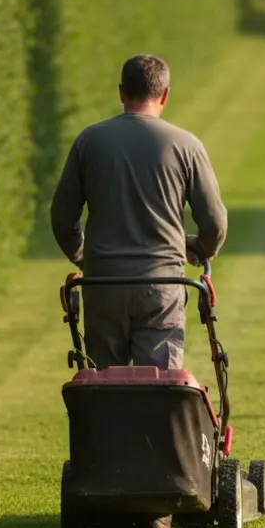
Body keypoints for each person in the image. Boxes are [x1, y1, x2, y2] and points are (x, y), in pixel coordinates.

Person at [50, 54, 227, 371]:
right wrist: (200, 248)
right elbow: (214, 222)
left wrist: (85, 256)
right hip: (161, 287)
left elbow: (63, 218)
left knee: (104, 387)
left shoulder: (89, 141)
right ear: (165, 94)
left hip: (103, 284)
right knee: (159, 388)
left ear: (121, 92)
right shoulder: (185, 145)